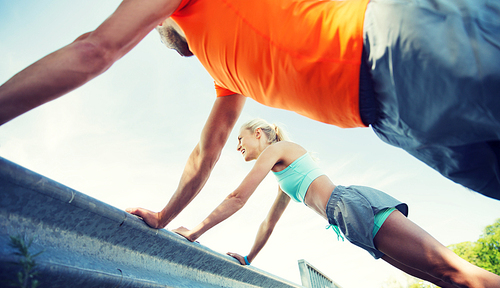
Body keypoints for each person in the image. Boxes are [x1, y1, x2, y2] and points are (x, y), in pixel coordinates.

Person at [0, 0, 499, 232]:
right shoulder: (226, 78)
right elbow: (206, 154)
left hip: (389, 45)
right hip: (390, 117)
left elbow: (96, 49)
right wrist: (164, 216)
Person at [167, 118, 500, 288]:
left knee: (455, 271)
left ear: (258, 133)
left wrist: (193, 232)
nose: (237, 147)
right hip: (348, 220)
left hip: (352, 206)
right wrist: (249, 257)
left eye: (239, 140)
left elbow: (237, 197)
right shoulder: (284, 177)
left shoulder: (278, 150)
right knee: (445, 279)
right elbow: (269, 222)